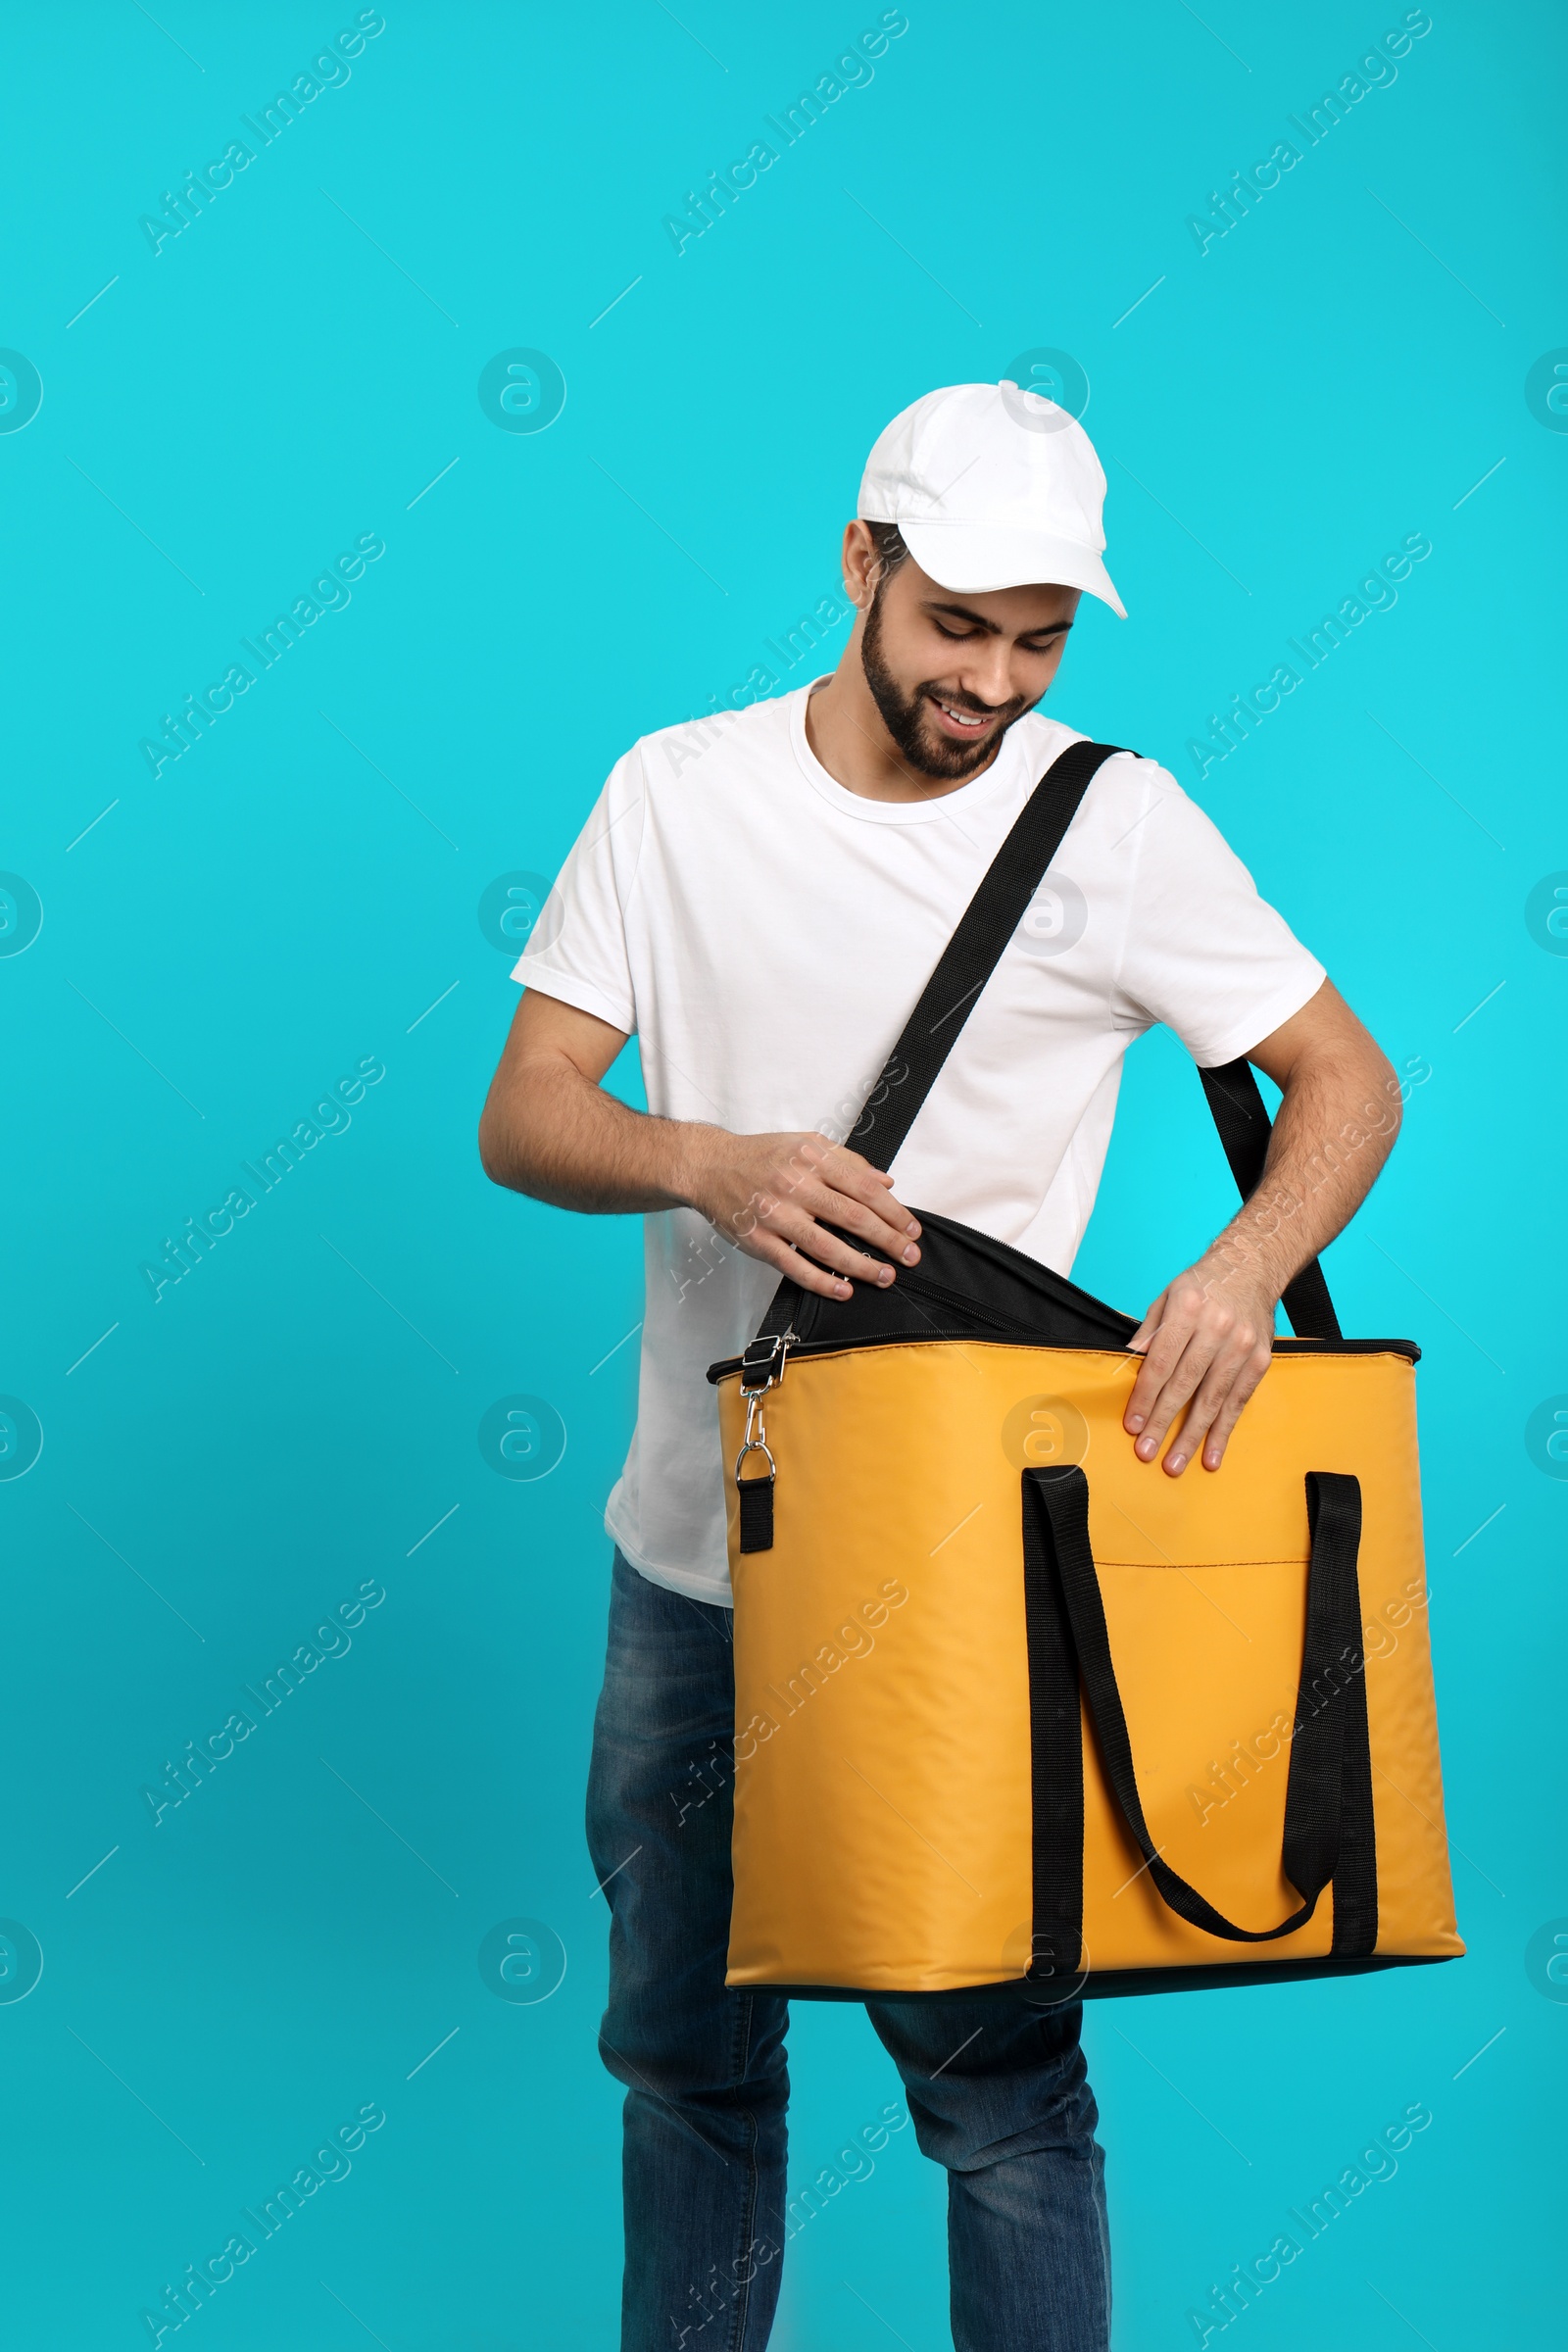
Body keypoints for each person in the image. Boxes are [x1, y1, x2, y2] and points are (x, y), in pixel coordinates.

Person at [477, 381, 1401, 2352]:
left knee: (995, 2097)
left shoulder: (1113, 824)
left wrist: (1243, 1268)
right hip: (686, 1564)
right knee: (682, 2068)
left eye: (1035, 637)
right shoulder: (674, 793)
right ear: (858, 566)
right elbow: (526, 1112)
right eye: (954, 625)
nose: (988, 679)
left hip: (962, 1584)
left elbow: (1344, 1080)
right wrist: (696, 1161)